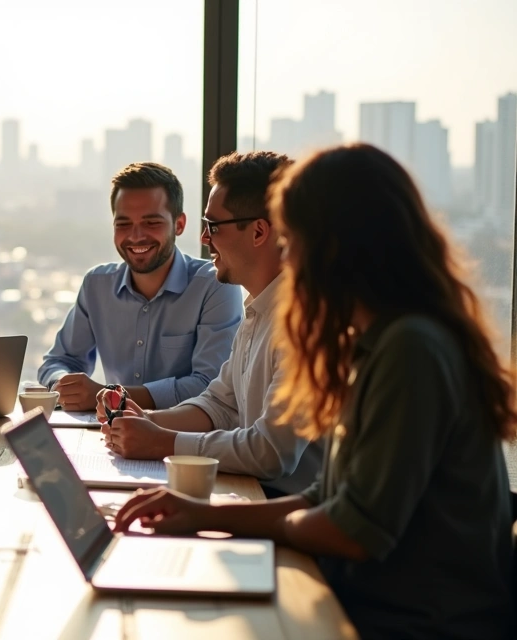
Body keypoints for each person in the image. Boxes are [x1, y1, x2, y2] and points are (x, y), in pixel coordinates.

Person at [114, 144, 515, 638]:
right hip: (372, 598)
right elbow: (327, 496)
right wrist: (201, 513)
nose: (287, 252)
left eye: (293, 235)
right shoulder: (379, 341)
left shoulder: (411, 349)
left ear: (333, 243)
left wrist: (222, 518)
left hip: (411, 621)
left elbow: (353, 526)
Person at [97, 152, 323, 496]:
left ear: (259, 231)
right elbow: (220, 405)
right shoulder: (258, 311)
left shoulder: (306, 322)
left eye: (213, 226)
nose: (204, 238)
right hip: (247, 492)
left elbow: (271, 453)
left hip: (285, 513)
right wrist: (141, 420)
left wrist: (163, 442)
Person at [38, 162, 242, 411]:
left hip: (183, 441)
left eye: (151, 223)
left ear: (179, 224)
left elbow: (209, 386)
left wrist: (109, 396)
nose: (136, 236)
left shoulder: (215, 284)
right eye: (123, 224)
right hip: (112, 436)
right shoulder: (96, 285)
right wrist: (64, 384)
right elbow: (58, 361)